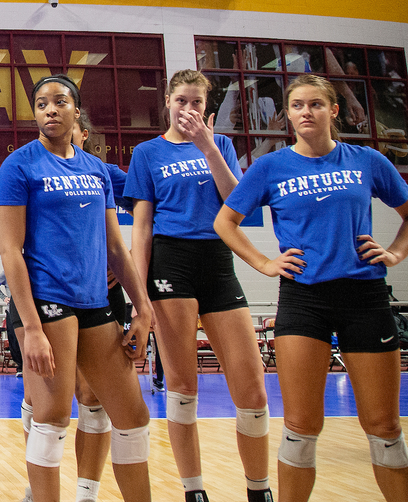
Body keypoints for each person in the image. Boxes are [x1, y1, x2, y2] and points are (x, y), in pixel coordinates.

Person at [215, 73, 408, 502]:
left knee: (385, 427)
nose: (306, 112)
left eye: (316, 104)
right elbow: (224, 221)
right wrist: (265, 262)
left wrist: (394, 253)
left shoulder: (366, 160)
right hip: (304, 300)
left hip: (365, 297)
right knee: (301, 428)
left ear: (333, 111)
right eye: (298, 105)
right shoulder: (270, 167)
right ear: (288, 114)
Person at [0, 75, 154, 502]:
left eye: (60, 101)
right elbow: (10, 251)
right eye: (42, 103)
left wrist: (143, 309)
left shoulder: (96, 169)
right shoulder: (19, 166)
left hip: (96, 304)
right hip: (46, 303)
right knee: (52, 418)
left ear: (76, 112)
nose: (50, 109)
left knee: (133, 417)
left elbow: (117, 247)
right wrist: (30, 327)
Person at [127, 69, 272, 502]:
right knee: (183, 384)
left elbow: (237, 204)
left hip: (217, 260)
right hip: (171, 260)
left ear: (207, 107)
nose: (189, 109)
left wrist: (208, 146)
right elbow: (142, 226)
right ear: (167, 102)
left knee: (252, 385)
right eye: (181, 100)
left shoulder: (221, 144)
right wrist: (140, 297)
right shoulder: (147, 153)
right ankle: (194, 490)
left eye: (197, 102)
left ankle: (258, 488)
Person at [13, 110, 135, 502]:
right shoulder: (29, 168)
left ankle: (87, 492)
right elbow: (11, 244)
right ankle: (40, 482)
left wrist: (130, 264)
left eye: (79, 134)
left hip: (100, 292)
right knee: (44, 401)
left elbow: (150, 209)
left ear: (82, 132)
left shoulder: (103, 172)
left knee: (94, 398)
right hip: (46, 294)